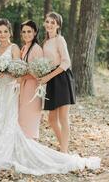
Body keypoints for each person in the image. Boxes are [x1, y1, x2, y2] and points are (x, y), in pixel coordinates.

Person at [0, 19, 100, 175]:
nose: (2, 34)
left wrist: (8, 72)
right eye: (0, 32)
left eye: (5, 31)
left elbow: (19, 69)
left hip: (13, 89)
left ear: (10, 32)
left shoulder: (17, 47)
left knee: (19, 120)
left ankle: (57, 151)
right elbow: (16, 68)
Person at [39, 12, 76, 153]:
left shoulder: (60, 39)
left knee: (63, 117)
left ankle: (64, 151)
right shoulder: (45, 42)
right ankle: (64, 147)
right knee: (52, 119)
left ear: (58, 25)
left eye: (52, 23)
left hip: (62, 78)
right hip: (51, 79)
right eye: (47, 21)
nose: (49, 25)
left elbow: (66, 62)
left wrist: (48, 77)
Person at [19, 20, 43, 139]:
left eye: (29, 31)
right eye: (24, 32)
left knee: (29, 120)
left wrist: (20, 76)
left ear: (35, 33)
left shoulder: (36, 49)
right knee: (22, 119)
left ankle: (31, 149)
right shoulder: (24, 48)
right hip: (23, 87)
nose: (26, 34)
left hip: (32, 89)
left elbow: (38, 73)